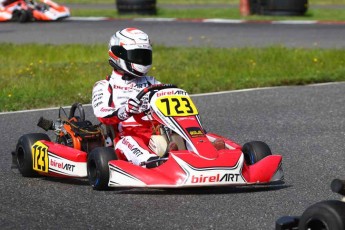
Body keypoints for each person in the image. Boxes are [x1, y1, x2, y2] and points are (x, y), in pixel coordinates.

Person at [92, 27, 170, 168]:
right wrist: (125, 110)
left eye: (144, 56)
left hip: (157, 133)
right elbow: (101, 113)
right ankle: (150, 162)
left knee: (184, 132)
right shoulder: (105, 85)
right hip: (125, 136)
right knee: (130, 141)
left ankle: (206, 149)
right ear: (118, 54)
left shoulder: (153, 82)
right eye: (137, 56)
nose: (141, 60)